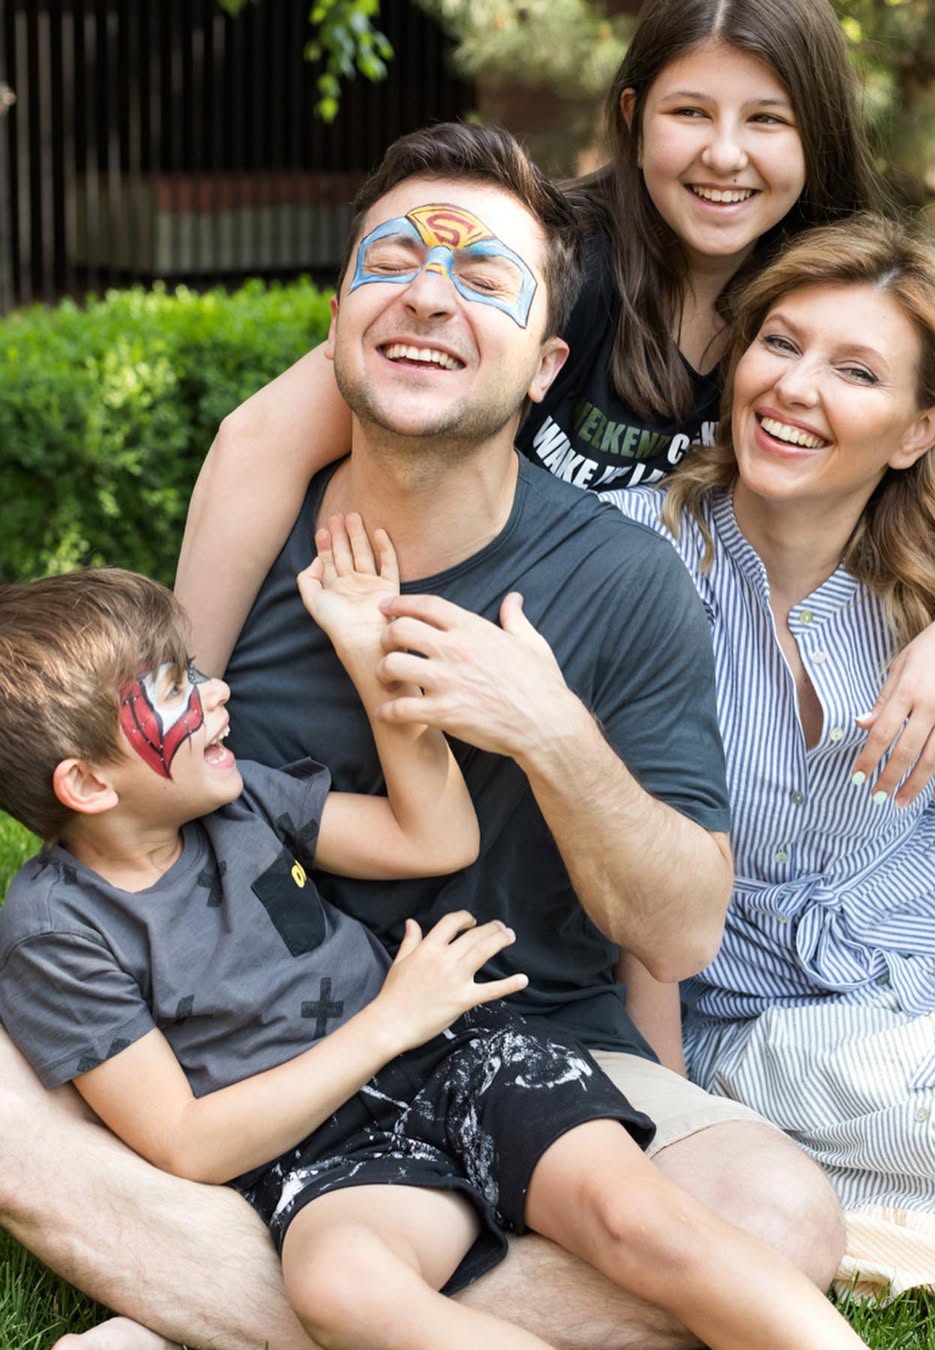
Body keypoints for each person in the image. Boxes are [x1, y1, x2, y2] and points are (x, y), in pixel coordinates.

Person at [0, 123, 847, 1350]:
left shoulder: (621, 581)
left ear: (546, 363)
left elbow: (681, 929)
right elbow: (135, 780)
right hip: (254, 1063)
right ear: (339, 316)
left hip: (515, 1027)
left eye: (482, 279)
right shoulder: (261, 520)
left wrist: (545, 727)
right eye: (389, 263)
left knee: (775, 1213)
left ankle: (208, 1308)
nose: (428, 296)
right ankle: (331, 1298)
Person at [0, 527, 868, 1350]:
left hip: (460, 1060)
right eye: (172, 692)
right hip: (321, 1148)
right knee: (343, 1288)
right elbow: (185, 1141)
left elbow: (436, 839)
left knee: (634, 1216)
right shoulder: (55, 929)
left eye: (192, 669)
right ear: (84, 783)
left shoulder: (241, 800)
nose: (214, 691)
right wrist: (388, 1021)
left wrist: (370, 654)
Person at [177, 0, 935, 811]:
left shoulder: (829, 308)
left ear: (817, 138)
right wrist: (179, 717)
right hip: (439, 651)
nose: (725, 154)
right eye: (691, 113)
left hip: (665, 710)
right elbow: (259, 442)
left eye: (768, 120)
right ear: (632, 119)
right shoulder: (548, 269)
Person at [606, 213, 935, 1315]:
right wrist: (670, 1113)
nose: (795, 388)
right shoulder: (635, 557)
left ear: (921, 430)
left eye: (855, 371)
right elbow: (635, 887)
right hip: (763, 991)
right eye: (781, 344)